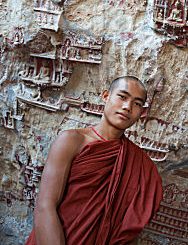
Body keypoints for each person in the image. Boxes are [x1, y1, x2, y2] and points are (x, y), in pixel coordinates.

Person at [25, 76, 163, 245]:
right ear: (106, 96)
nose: (127, 107)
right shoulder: (72, 140)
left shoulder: (140, 165)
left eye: (137, 103)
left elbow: (128, 232)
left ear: (142, 112)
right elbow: (45, 206)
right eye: (122, 97)